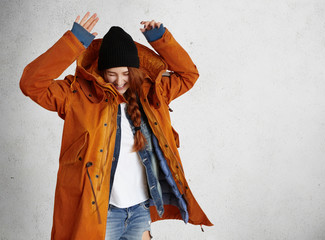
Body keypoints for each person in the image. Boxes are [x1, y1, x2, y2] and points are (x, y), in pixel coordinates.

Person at [20, 12, 212, 240]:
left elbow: (189, 74)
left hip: (140, 211)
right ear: (101, 72)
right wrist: (73, 42)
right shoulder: (76, 94)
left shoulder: (153, 94)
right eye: (111, 74)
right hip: (99, 215)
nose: (120, 81)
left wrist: (160, 38)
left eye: (126, 74)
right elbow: (31, 83)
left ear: (136, 71)